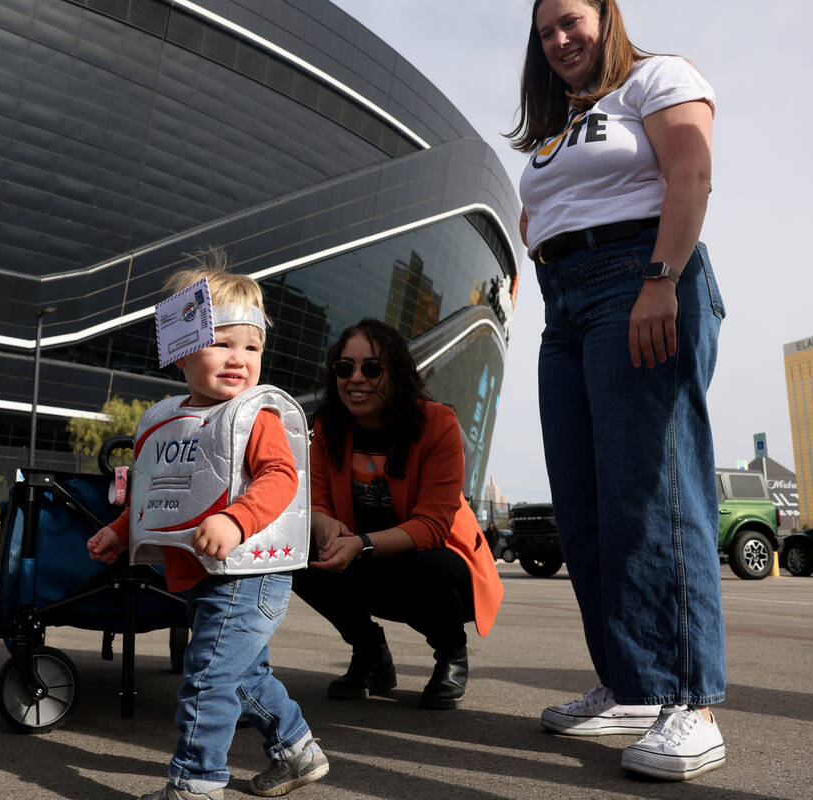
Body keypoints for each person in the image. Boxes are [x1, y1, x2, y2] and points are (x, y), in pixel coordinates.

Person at [507, 0, 726, 781]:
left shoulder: (656, 78)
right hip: (566, 305)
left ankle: (691, 703)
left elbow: (691, 174)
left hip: (640, 278)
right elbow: (540, 212)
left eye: (571, 20)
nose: (559, 39)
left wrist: (660, 281)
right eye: (545, 32)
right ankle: (632, 686)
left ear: (607, 15)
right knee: (585, 506)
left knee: (654, 495)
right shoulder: (558, 125)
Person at [87, 258, 327, 800]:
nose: (239, 360)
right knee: (242, 674)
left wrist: (235, 518)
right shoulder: (173, 418)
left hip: (248, 573)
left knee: (207, 678)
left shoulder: (254, 415)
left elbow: (280, 477)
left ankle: (196, 783)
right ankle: (297, 750)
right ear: (181, 349)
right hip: (202, 570)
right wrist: (123, 530)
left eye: (251, 347)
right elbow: (161, 490)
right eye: (222, 344)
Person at [292, 319, 504, 710]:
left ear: (398, 373)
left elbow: (433, 526)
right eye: (344, 368)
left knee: (431, 566)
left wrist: (361, 544)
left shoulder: (438, 424)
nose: (355, 378)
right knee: (294, 553)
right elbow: (317, 499)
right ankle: (370, 653)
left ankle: (451, 653)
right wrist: (322, 523)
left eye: (371, 368)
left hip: (432, 558)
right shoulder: (327, 425)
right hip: (358, 551)